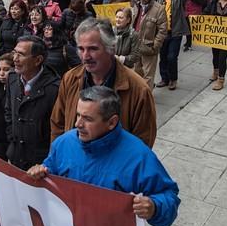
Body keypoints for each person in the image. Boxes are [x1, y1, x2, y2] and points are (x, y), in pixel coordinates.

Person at [28, 86, 179, 226]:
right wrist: (39, 173)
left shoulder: (139, 156)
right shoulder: (63, 143)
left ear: (111, 122)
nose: (78, 123)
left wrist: (155, 207)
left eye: (88, 118)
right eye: (78, 115)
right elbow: (49, 173)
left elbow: (168, 197)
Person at [51, 18, 157, 147]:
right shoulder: (70, 79)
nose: (85, 56)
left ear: (111, 48)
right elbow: (58, 124)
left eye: (93, 49)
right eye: (81, 49)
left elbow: (143, 141)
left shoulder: (139, 90)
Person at [5, 35, 60, 170]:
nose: (15, 59)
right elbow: (8, 112)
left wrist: (47, 162)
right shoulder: (12, 79)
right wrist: (13, 137)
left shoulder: (55, 89)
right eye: (14, 53)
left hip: (40, 165)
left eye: (21, 55)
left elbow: (59, 128)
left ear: (38, 60)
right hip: (15, 156)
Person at [156, 0, 191, 90]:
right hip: (163, 33)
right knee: (163, 57)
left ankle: (173, 79)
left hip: (175, 33)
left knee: (172, 57)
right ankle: (164, 78)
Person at [132, 0, 167, 88]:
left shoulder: (159, 9)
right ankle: (139, 94)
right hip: (135, 45)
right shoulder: (136, 6)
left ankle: (146, 97)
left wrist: (155, 46)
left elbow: (162, 30)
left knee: (148, 75)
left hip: (149, 46)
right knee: (136, 73)